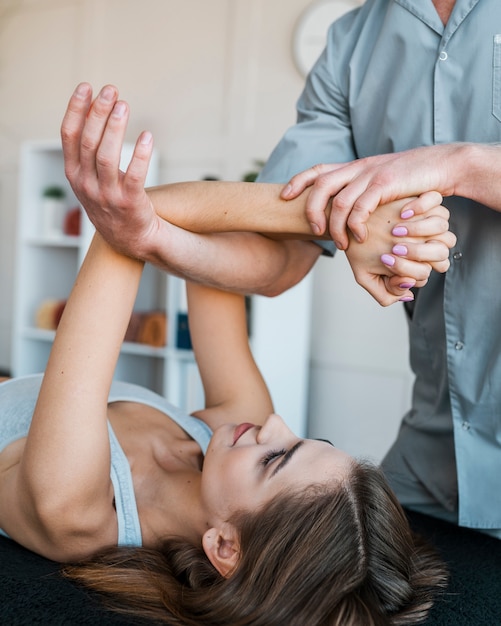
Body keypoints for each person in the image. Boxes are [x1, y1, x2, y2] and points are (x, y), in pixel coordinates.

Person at [0, 164, 448, 624]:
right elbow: (208, 224)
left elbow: (125, 224)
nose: (276, 425)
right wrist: (354, 225)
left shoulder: (76, 512)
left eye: (275, 459)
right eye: (308, 440)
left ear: (224, 546)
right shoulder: (234, 431)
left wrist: (350, 220)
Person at [259, 0, 501, 539]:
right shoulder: (349, 43)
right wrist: (152, 233)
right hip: (434, 461)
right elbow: (278, 256)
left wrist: (459, 164)